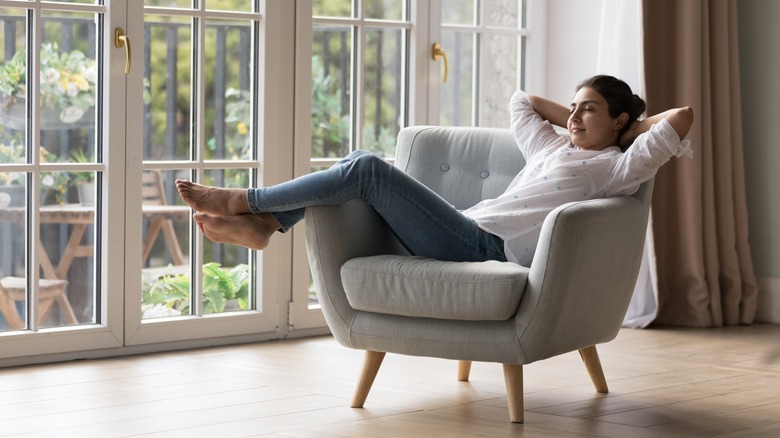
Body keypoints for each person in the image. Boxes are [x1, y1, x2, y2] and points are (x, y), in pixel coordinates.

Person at [176, 75, 694, 267]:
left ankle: (248, 204)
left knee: (368, 169)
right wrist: (580, 117)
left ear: (622, 122)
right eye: (575, 107)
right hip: (464, 224)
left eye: (589, 110)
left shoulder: (617, 167)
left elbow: (682, 118)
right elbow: (522, 100)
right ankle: (266, 223)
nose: (575, 116)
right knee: (359, 163)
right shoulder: (550, 149)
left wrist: (629, 131)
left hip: (486, 247)